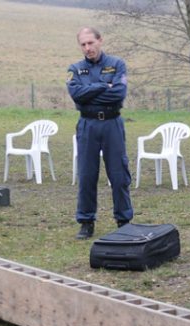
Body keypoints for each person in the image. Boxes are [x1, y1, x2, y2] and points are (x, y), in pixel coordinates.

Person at [66, 27, 135, 240]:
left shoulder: (117, 64)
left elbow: (118, 94)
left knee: (118, 174)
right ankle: (86, 221)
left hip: (112, 123)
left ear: (100, 41)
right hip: (88, 125)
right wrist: (104, 86)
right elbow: (76, 95)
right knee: (87, 174)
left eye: (91, 43)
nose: (88, 48)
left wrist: (92, 91)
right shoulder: (76, 69)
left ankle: (124, 220)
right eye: (83, 44)